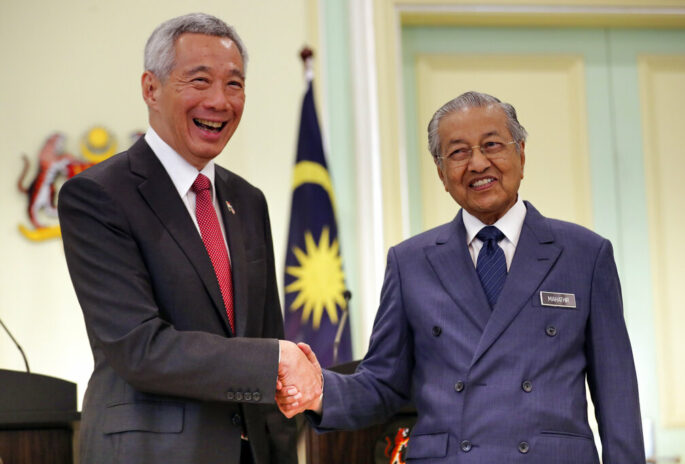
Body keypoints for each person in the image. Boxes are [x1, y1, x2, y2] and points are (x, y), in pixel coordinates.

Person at [278, 91, 645, 463]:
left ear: (521, 154)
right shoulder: (410, 263)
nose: (478, 163)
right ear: (441, 173)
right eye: (458, 152)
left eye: (492, 145)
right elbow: (382, 383)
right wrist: (317, 391)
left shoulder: (585, 254)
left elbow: (617, 394)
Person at [58, 13, 320, 464]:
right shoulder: (98, 195)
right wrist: (273, 360)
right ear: (151, 88)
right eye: (199, 81)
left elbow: (264, 331)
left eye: (234, 85)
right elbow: (139, 348)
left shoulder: (247, 200)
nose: (219, 101)